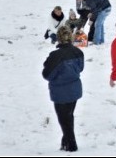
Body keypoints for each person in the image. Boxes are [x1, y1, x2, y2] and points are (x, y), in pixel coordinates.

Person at [43, 24, 85, 152]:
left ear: (59, 38)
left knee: (64, 119)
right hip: (75, 90)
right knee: (69, 116)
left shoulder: (55, 55)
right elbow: (80, 68)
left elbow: (47, 74)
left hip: (61, 93)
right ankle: (65, 142)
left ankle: (72, 145)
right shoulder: (78, 52)